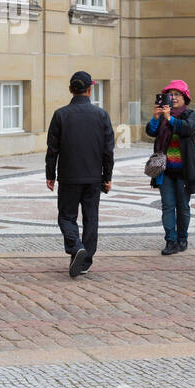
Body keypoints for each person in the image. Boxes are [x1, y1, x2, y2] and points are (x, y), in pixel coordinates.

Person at [47, 71, 116, 276]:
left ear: (70, 89)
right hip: (94, 176)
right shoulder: (101, 115)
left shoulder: (60, 114)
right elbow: (108, 150)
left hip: (69, 176)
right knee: (90, 218)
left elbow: (53, 149)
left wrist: (50, 174)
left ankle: (76, 247)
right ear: (90, 89)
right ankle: (85, 261)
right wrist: (107, 177)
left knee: (66, 217)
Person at [143, 79, 195, 258]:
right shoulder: (162, 116)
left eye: (177, 94)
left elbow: (188, 129)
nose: (174, 98)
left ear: (185, 97)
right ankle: (171, 240)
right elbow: (151, 132)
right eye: (170, 94)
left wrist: (170, 118)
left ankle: (182, 238)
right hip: (165, 171)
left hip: (184, 171)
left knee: (183, 206)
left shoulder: (190, 115)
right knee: (168, 206)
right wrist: (155, 116)